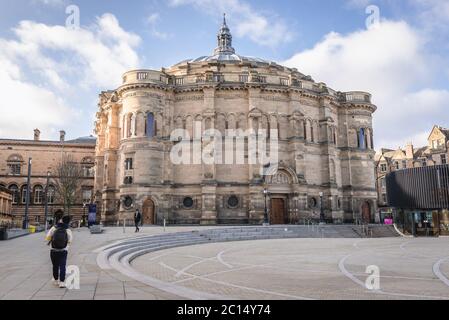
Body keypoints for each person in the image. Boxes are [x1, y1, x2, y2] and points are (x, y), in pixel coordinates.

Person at [45, 215, 73, 288]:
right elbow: (70, 240)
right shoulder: (68, 230)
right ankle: (62, 282)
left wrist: (50, 241)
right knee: (62, 266)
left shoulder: (54, 228)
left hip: (53, 250)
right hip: (63, 251)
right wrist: (66, 247)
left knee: (55, 266)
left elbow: (47, 237)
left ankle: (56, 280)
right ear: (68, 222)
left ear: (61, 220)